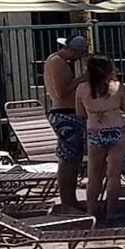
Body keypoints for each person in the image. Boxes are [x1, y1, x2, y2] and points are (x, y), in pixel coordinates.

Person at [75, 54, 125, 220]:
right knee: (114, 175)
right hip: (116, 131)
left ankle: (91, 211)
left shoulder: (82, 89)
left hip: (95, 132)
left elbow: (80, 113)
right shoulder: (117, 86)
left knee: (94, 175)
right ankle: (111, 211)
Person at [42, 32, 88, 213]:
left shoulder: (56, 61)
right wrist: (81, 79)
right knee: (68, 161)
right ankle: (67, 203)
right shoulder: (57, 63)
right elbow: (61, 92)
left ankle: (71, 201)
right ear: (72, 50)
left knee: (73, 160)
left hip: (68, 113)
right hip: (65, 114)